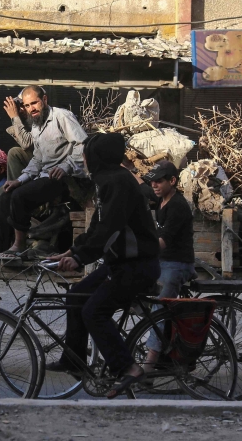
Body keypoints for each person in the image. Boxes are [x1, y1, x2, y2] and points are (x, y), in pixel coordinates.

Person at [50, 133, 161, 399]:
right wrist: (74, 249)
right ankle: (74, 359)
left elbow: (110, 229)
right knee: (76, 295)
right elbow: (97, 226)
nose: (84, 160)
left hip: (136, 266)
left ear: (96, 157)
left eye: (86, 155)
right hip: (120, 263)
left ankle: (128, 368)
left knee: (94, 312)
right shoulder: (108, 180)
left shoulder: (118, 182)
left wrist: (80, 258)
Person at [0, 85, 88, 262]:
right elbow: (36, 158)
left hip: (65, 179)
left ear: (44, 100)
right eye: (27, 106)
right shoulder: (36, 125)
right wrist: (19, 180)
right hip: (45, 176)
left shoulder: (62, 116)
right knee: (6, 195)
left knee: (19, 196)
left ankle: (19, 246)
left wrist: (66, 166)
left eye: (34, 103)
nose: (31, 109)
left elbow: (82, 144)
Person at [139, 160, 196, 371]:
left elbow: (164, 241)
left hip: (177, 264)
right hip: (162, 261)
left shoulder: (178, 206)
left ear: (172, 181)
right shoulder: (161, 200)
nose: (154, 185)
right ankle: (162, 345)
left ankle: (149, 364)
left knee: (159, 309)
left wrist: (139, 250)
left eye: (159, 181)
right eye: (152, 181)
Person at [3, 96, 34, 182]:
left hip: (50, 165)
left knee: (14, 152)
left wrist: (15, 116)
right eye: (19, 107)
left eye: (24, 106)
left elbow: (26, 144)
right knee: (2, 190)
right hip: (34, 165)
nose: (21, 110)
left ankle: (14, 190)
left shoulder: (40, 119)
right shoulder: (26, 122)